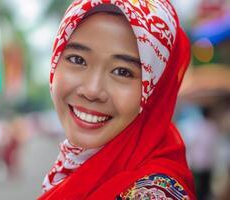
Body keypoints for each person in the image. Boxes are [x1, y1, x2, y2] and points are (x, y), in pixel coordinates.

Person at [39, 0, 196, 199]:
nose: (92, 90)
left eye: (122, 72)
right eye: (77, 59)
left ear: (154, 90)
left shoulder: (152, 194)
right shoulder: (73, 166)